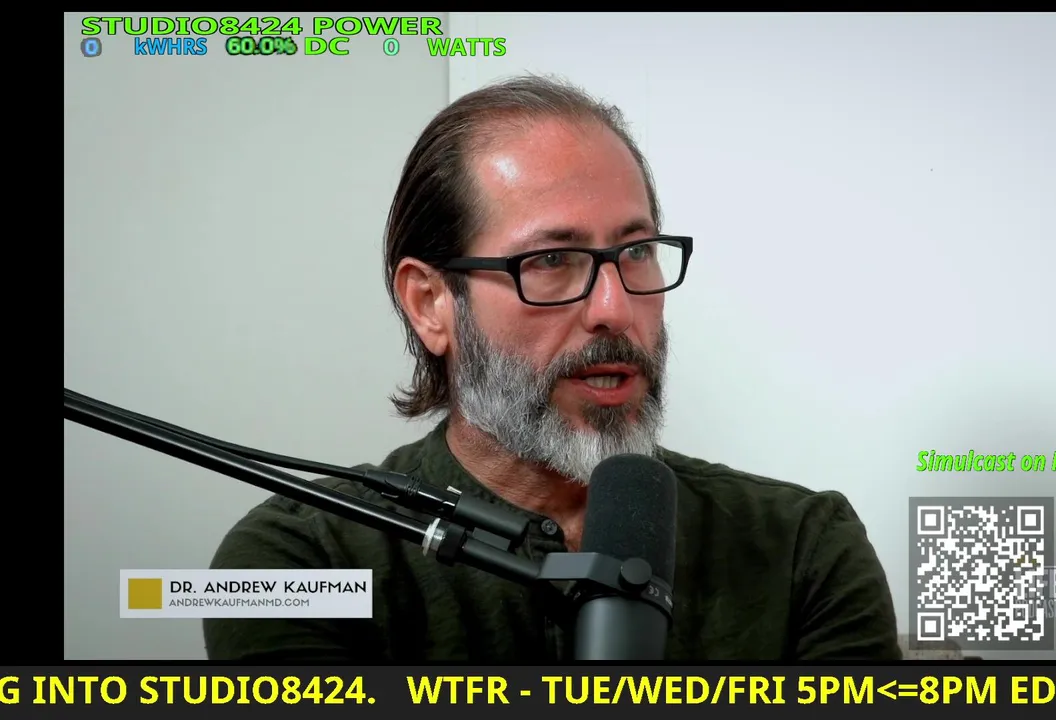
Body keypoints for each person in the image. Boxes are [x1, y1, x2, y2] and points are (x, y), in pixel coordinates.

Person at [204, 74, 901, 662]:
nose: (614, 309)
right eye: (550, 260)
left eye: (636, 252)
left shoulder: (804, 546)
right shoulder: (297, 561)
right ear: (431, 304)